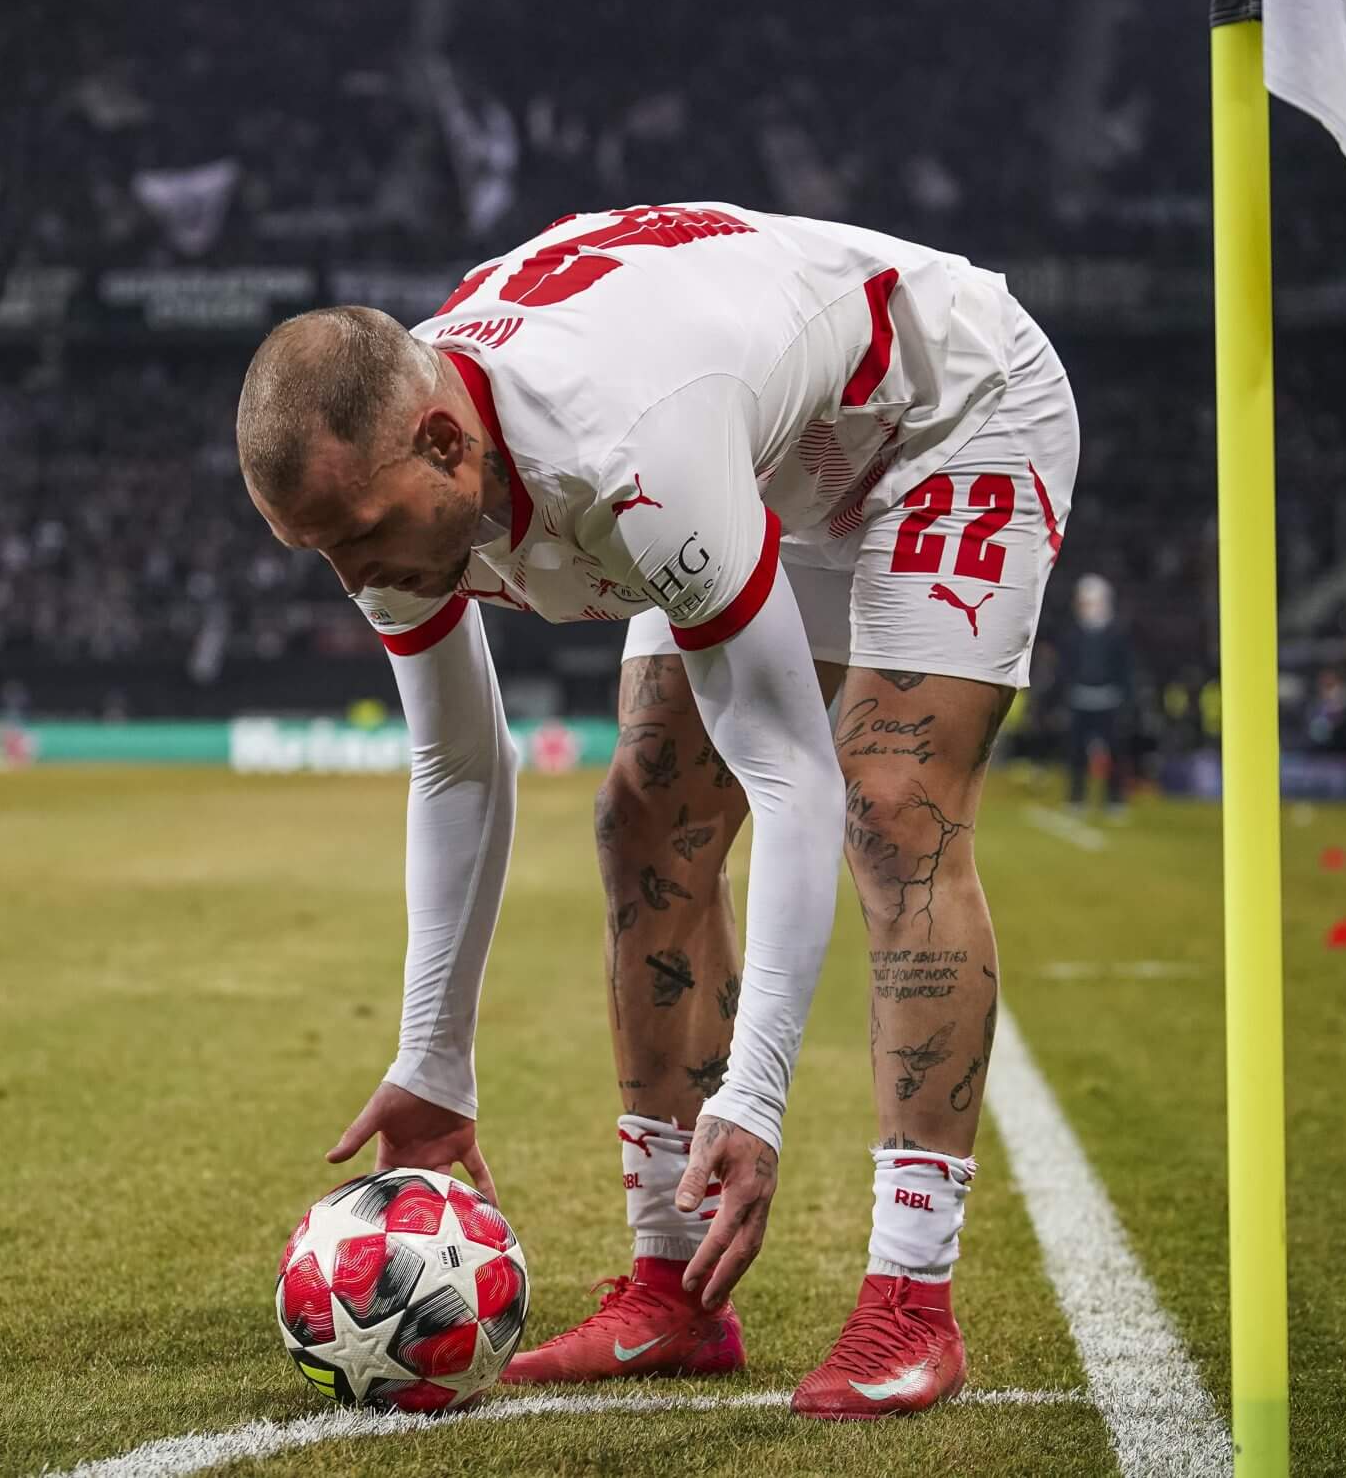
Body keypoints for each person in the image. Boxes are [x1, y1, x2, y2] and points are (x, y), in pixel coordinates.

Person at [234, 203, 1080, 1420]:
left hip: (940, 412)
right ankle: (671, 1288)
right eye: (315, 551)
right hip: (760, 450)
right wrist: (432, 1060)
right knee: (645, 814)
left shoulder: (629, 453)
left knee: (895, 810)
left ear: (446, 445)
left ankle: (911, 1298)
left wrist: (757, 1095)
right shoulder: (380, 473)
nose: (352, 578)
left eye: (360, 540)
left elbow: (791, 775)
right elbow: (459, 765)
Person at [1060, 573, 1134, 816]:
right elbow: (1066, 668)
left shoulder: (1117, 634)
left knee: (1114, 752)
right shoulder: (1073, 635)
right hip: (1080, 699)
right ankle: (1076, 798)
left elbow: (1125, 669)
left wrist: (1125, 698)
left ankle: (1115, 799)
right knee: (1076, 753)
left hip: (1108, 700)